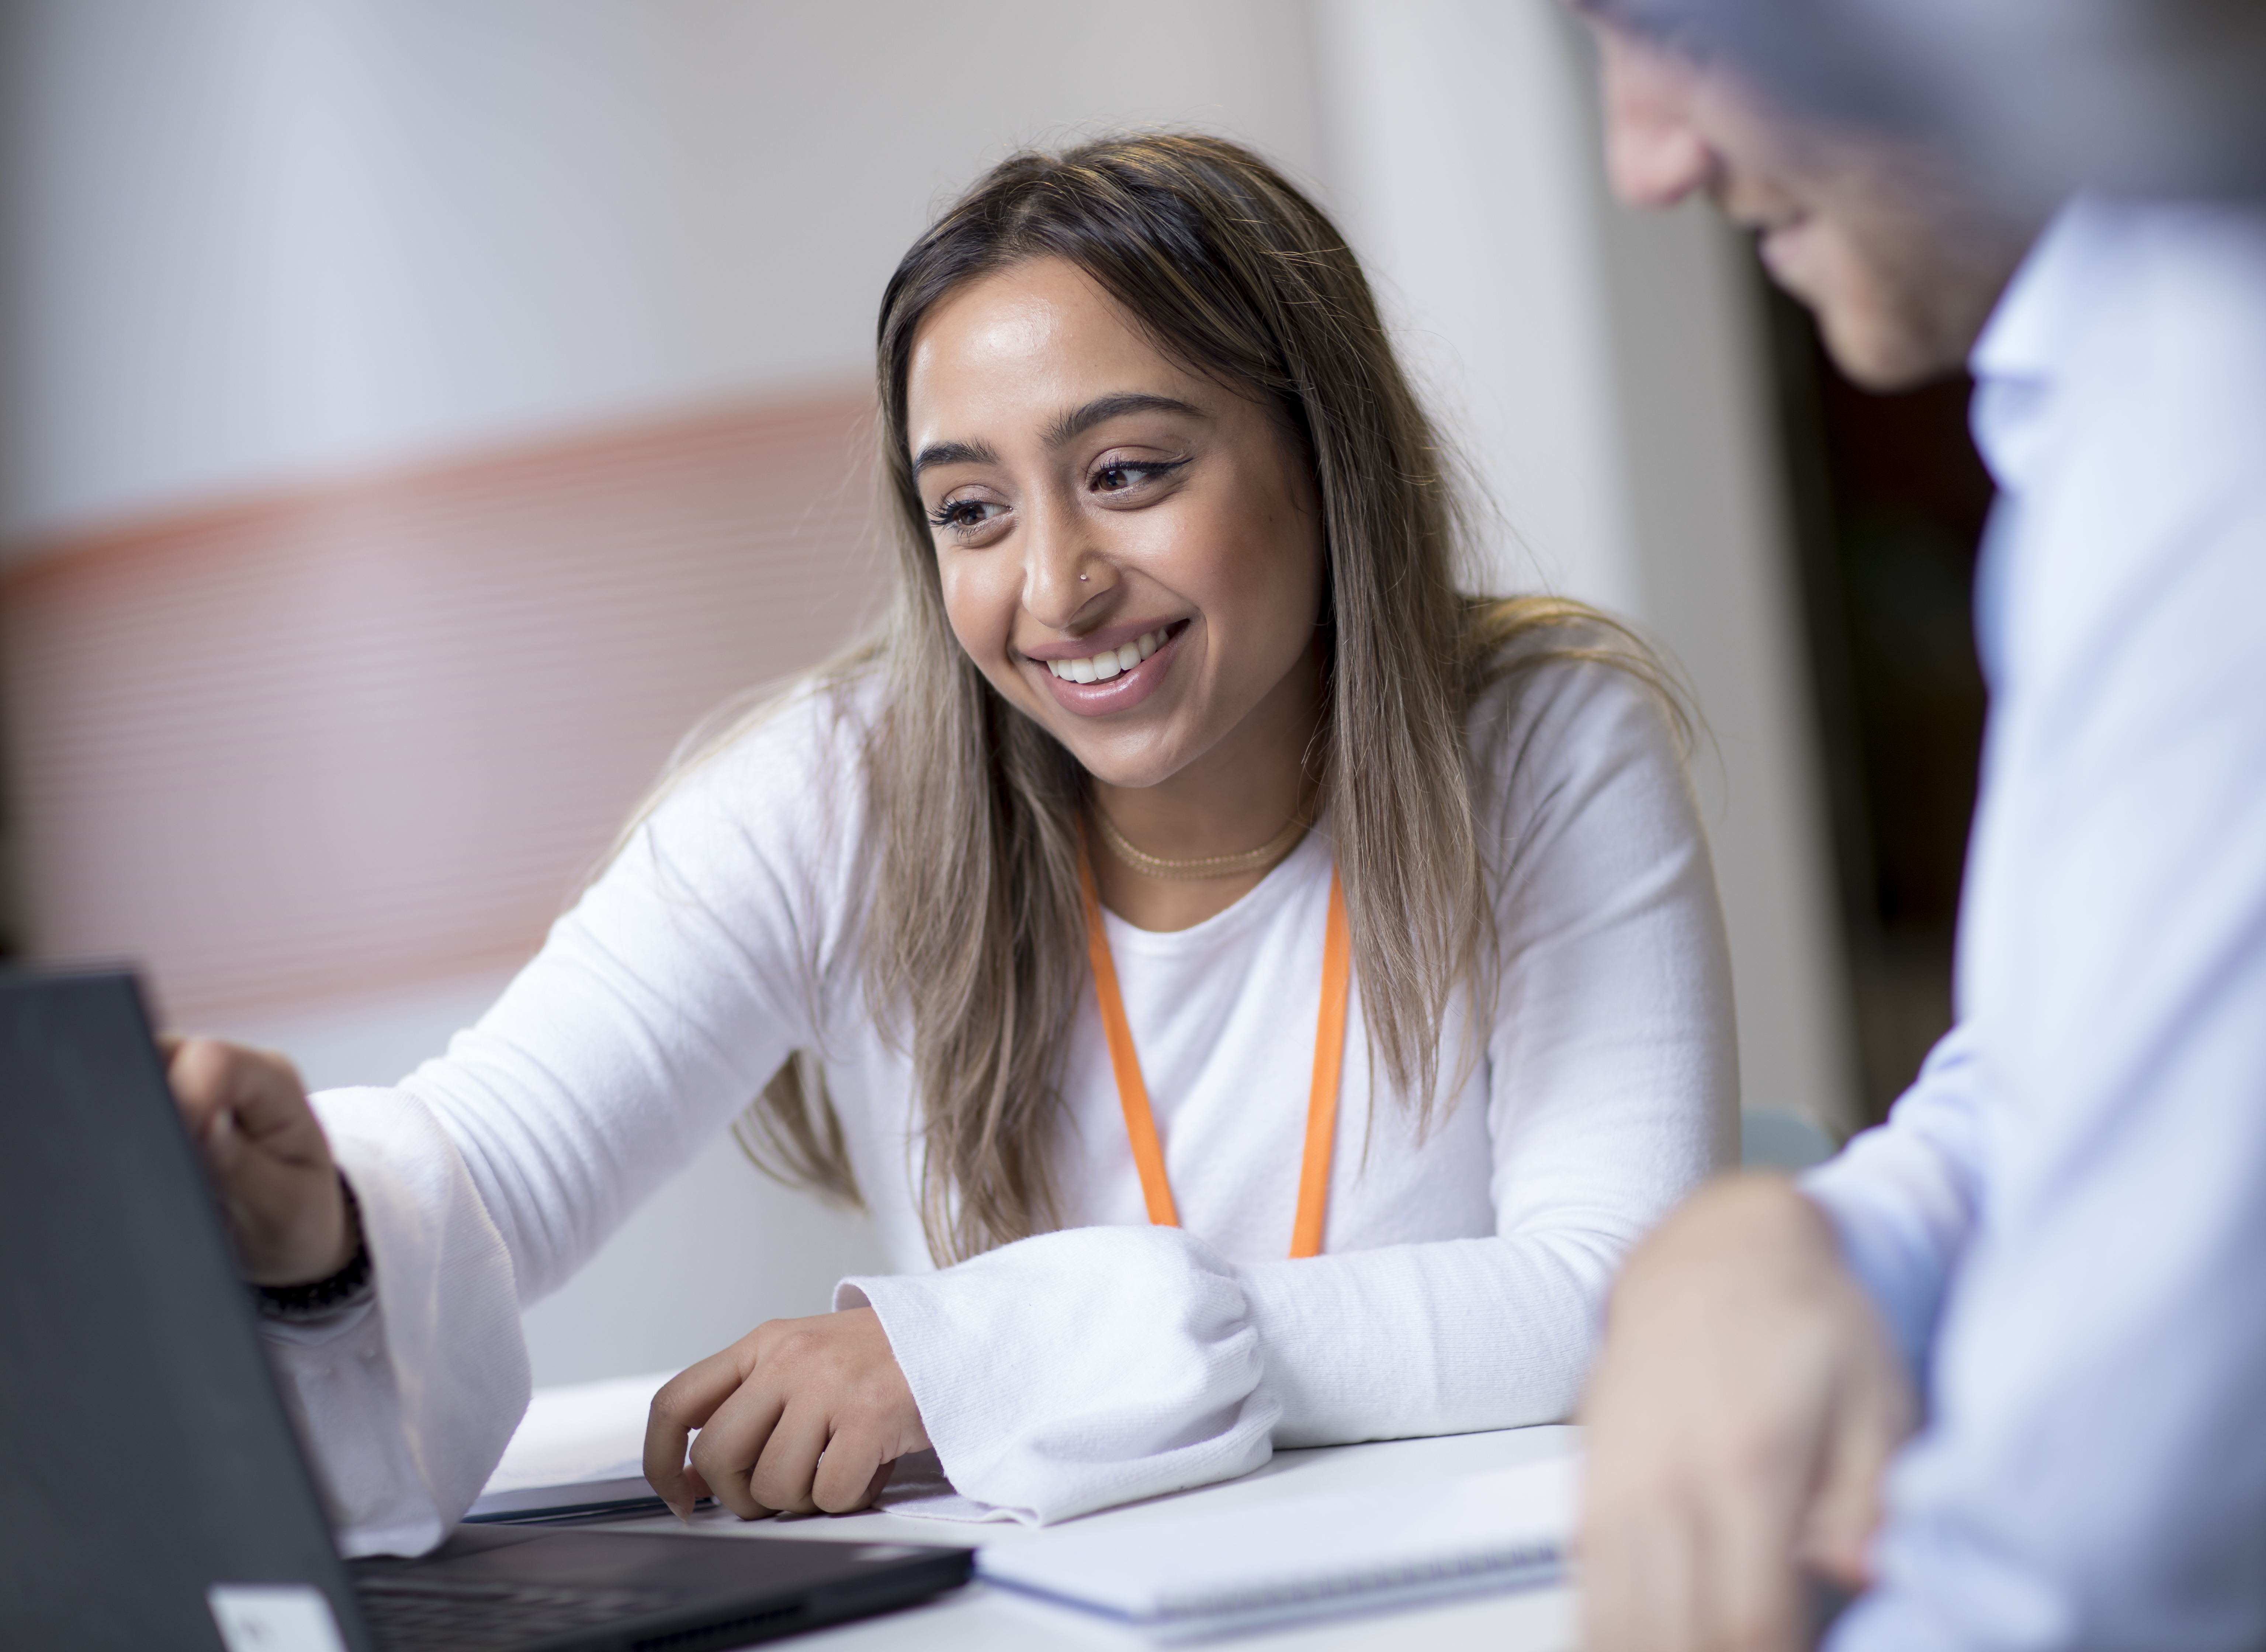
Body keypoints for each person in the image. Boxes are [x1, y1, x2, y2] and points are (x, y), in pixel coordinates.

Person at [161, 131, 1736, 1554]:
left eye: (1127, 475)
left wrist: (978, 1358)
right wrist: (316, 1229)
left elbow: (1614, 1292)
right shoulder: (835, 789)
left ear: (1327, 460)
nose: (1053, 588)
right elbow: (493, 1162)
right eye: (972, 510)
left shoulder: (1543, 738)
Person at [1572, 10, 2266, 1651]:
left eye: (1684, 27)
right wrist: (1819, 1231)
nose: (1646, 162)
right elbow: (2098, 1041)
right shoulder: (2143, 370)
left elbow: (2111, 1599)